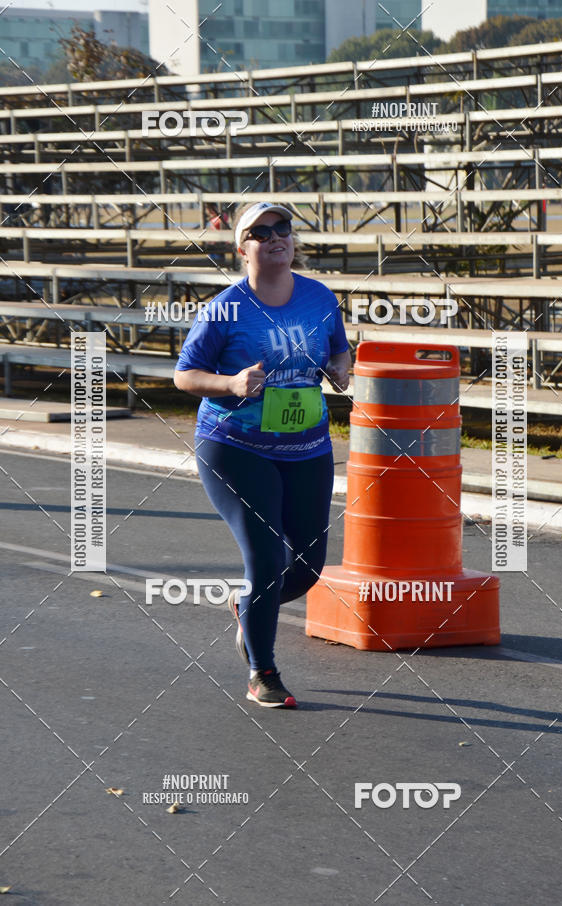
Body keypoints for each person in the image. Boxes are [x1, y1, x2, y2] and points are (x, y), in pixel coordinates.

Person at [174, 202, 351, 708]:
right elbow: (184, 375)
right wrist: (231, 383)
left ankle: (249, 605)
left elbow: (339, 349)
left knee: (309, 566)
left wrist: (341, 367)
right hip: (235, 446)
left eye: (282, 228)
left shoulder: (319, 297)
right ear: (241, 248)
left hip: (306, 447)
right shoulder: (225, 308)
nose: (275, 237)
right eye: (260, 231)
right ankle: (263, 673)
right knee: (267, 558)